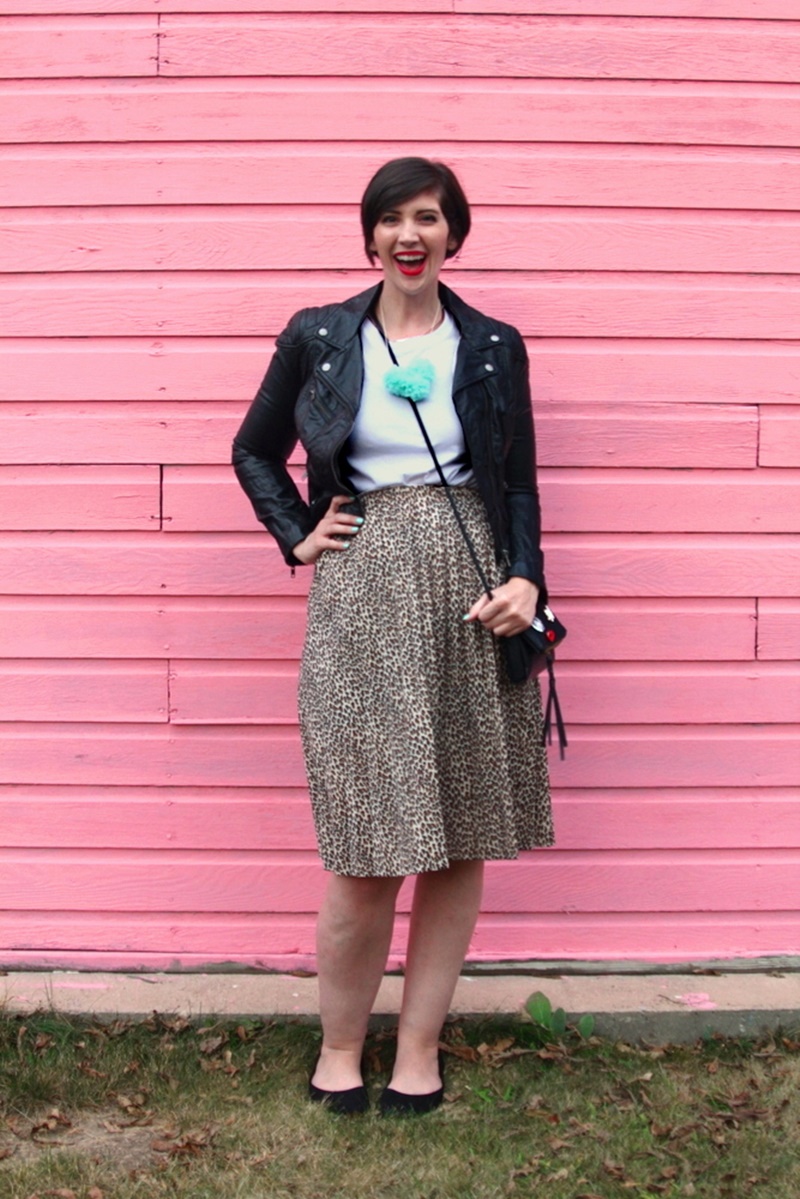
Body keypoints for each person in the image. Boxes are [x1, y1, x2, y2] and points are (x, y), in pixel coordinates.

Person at [232, 157, 554, 1116]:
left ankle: (418, 1048)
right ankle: (340, 1045)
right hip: (363, 587)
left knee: (460, 836)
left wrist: (525, 577)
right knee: (364, 841)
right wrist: (298, 531)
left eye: (429, 217)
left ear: (455, 233)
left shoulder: (491, 345)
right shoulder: (320, 336)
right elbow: (253, 447)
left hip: (469, 587)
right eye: (392, 219)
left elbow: (520, 480)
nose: (410, 235)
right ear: (370, 234)